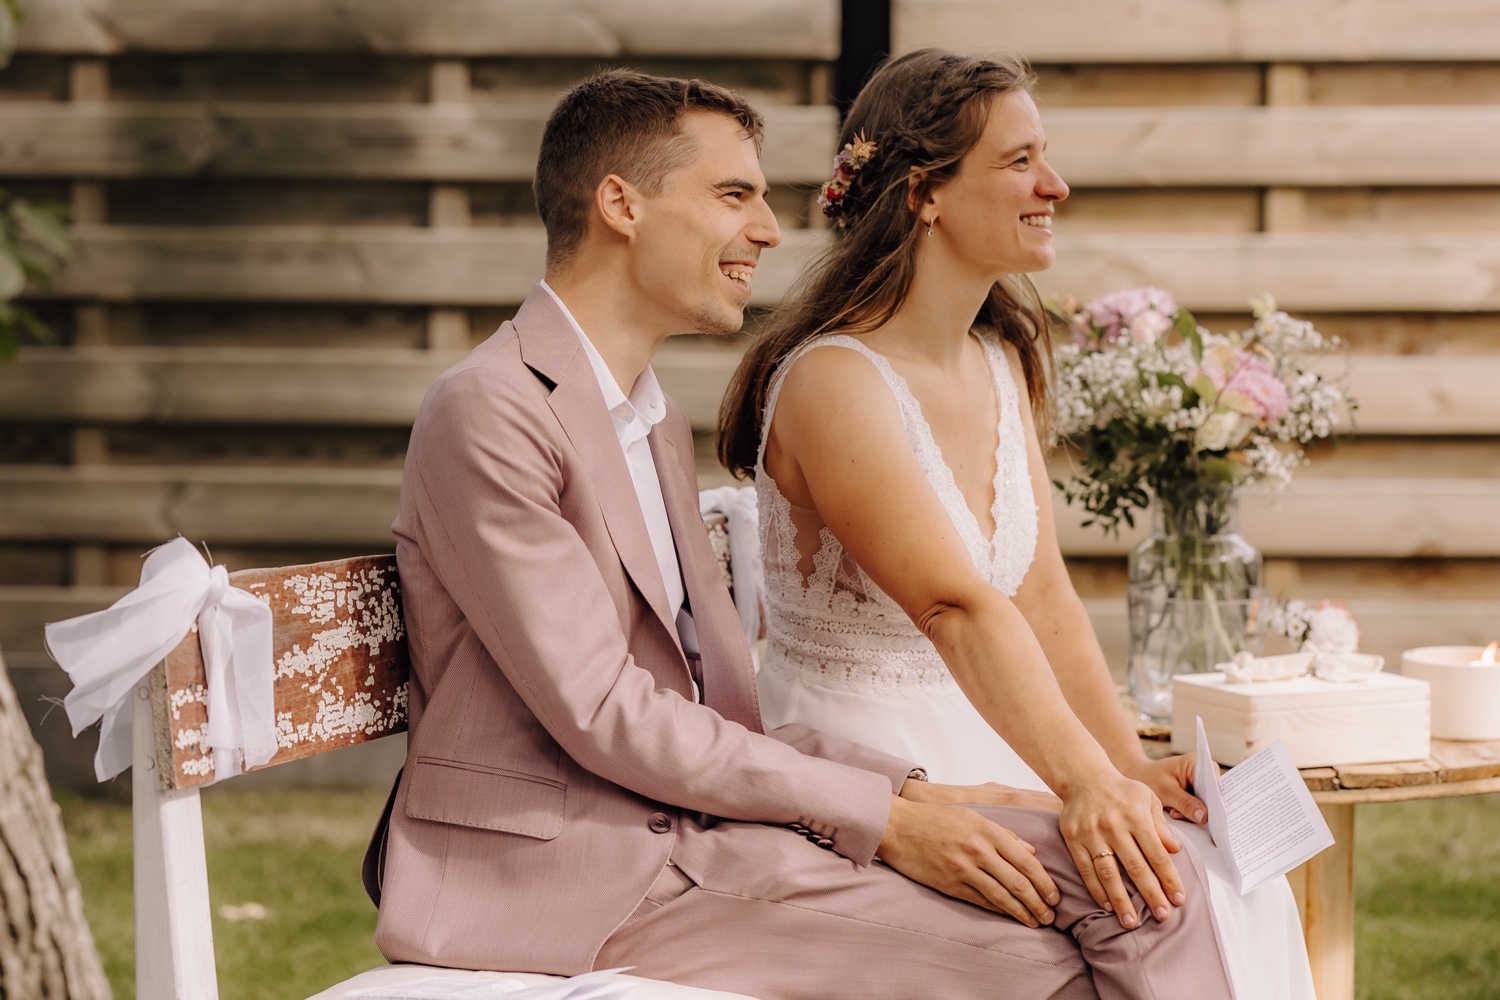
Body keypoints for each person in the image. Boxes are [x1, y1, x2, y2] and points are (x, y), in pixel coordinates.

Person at [365, 67, 1237, 999]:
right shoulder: (491, 411)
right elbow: (608, 712)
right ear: (620, 205)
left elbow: (709, 701)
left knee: (1151, 892)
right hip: (579, 871)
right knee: (1053, 961)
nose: (771, 230)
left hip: (701, 826)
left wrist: (912, 794)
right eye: (733, 194)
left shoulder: (644, 416)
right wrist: (887, 818)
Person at [717, 48, 1315, 998]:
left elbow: (1039, 595)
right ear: (925, 194)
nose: (1055, 184)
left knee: (1238, 871)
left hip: (1002, 731)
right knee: (1156, 893)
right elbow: (957, 605)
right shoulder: (834, 382)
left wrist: (1124, 763)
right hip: (882, 763)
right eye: (1020, 160)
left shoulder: (998, 359)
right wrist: (1083, 782)